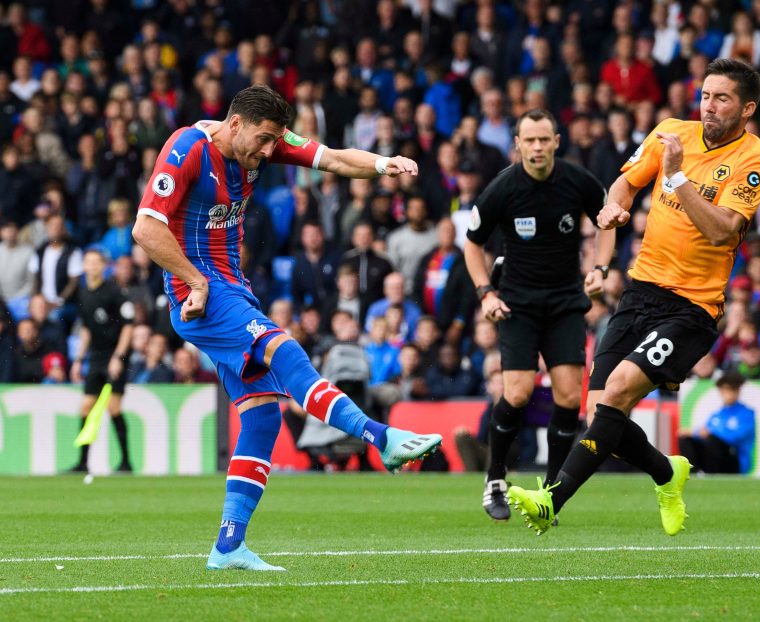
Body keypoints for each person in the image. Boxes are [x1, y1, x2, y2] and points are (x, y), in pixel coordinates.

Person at [132, 85, 442, 572]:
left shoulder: (263, 142)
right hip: (202, 294)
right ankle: (379, 437)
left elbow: (336, 160)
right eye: (264, 140)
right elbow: (146, 228)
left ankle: (228, 546)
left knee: (261, 416)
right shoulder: (186, 148)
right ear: (234, 125)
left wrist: (384, 164)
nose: (270, 150)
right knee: (285, 350)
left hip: (233, 288)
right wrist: (195, 282)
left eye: (277, 141)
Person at [507, 59, 760, 536]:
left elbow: (721, 232)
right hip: (641, 290)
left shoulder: (753, 159)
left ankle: (552, 501)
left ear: (747, 108)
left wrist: (676, 179)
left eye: (722, 98)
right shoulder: (671, 132)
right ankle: (667, 474)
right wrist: (614, 207)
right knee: (600, 410)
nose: (709, 106)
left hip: (691, 307)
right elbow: (626, 182)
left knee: (621, 388)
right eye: (706, 95)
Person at [464, 108, 610, 523]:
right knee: (518, 393)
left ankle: (550, 494)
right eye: (530, 140)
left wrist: (600, 268)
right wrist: (485, 293)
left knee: (568, 396)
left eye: (544, 139)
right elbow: (472, 244)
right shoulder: (503, 188)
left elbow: (609, 218)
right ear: (518, 144)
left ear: (556, 141)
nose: (537, 147)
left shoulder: (577, 180)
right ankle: (495, 479)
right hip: (518, 304)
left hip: (565, 301)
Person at [69, 247, 135, 473]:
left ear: (104, 266)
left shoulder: (114, 292)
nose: (92, 266)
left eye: (97, 262)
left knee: (113, 406)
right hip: (95, 356)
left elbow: (128, 326)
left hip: (115, 353)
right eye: (88, 262)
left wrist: (118, 357)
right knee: (86, 405)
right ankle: (82, 462)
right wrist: (79, 359)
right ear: (84, 266)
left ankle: (126, 462)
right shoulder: (83, 291)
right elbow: (86, 328)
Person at [679, 372, 755, 474]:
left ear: (738, 391)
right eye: (724, 390)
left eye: (731, 389)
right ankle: (692, 475)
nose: (728, 393)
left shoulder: (746, 414)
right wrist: (694, 432)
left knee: (712, 441)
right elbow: (705, 431)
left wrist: (708, 432)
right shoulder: (717, 414)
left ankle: (712, 474)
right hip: (714, 457)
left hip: (735, 459)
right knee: (685, 439)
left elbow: (735, 437)